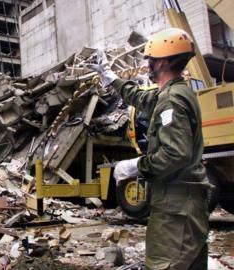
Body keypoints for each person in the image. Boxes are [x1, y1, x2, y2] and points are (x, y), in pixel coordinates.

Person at [88, 28, 210, 269]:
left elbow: (176, 154)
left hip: (176, 210)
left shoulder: (172, 100)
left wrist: (136, 166)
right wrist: (112, 79)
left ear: (163, 61)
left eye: (150, 60)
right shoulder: (177, 92)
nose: (147, 65)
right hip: (185, 205)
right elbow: (142, 99)